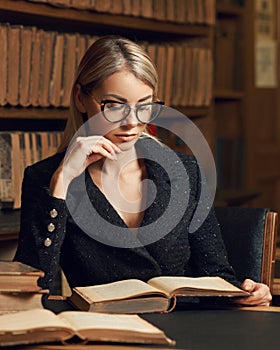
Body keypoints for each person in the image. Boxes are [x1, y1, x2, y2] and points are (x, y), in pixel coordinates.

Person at [14, 35, 271, 306]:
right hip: (105, 337)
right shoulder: (45, 180)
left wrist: (246, 293)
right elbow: (30, 290)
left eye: (145, 106)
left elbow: (217, 275)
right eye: (114, 105)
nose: (132, 123)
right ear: (80, 98)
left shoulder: (184, 172)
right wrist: (62, 182)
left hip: (188, 332)